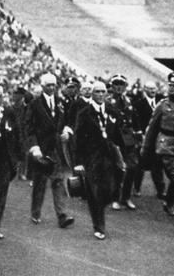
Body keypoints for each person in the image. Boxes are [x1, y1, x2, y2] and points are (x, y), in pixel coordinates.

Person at [74, 81, 125, 240]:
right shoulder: (84, 113)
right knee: (94, 191)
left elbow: (118, 136)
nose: (101, 95)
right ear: (92, 93)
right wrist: (78, 162)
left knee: (110, 189)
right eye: (97, 92)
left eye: (103, 91)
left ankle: (101, 209)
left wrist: (122, 156)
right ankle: (99, 225)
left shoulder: (113, 111)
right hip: (92, 158)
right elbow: (78, 139)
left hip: (109, 157)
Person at [23, 73, 74, 228]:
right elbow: (28, 128)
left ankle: (62, 215)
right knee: (40, 183)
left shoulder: (60, 102)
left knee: (58, 181)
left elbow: (66, 121)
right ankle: (35, 212)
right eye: (48, 85)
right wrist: (34, 148)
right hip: (41, 150)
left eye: (54, 85)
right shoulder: (34, 104)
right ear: (43, 86)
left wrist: (67, 131)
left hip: (56, 148)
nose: (52, 88)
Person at [142, 73, 174, 222]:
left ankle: (169, 201)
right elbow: (151, 128)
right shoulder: (162, 105)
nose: (171, 88)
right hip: (166, 144)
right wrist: (146, 147)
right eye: (170, 85)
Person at [107, 75, 141, 211]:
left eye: (122, 84)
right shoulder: (108, 102)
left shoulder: (128, 101)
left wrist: (138, 133)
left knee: (133, 167)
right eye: (116, 84)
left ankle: (126, 197)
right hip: (114, 139)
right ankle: (115, 198)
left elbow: (135, 118)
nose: (119, 87)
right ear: (112, 86)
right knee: (117, 170)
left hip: (128, 139)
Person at [133, 81, 165, 199]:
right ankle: (136, 188)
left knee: (157, 165)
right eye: (150, 89)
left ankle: (160, 190)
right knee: (140, 165)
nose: (153, 91)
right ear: (145, 89)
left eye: (154, 89)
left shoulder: (161, 103)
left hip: (158, 138)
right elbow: (136, 121)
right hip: (144, 138)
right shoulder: (138, 104)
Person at [0, 85, 21, 239]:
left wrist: (16, 158)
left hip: (4, 159)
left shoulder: (9, 112)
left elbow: (17, 135)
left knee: (1, 194)